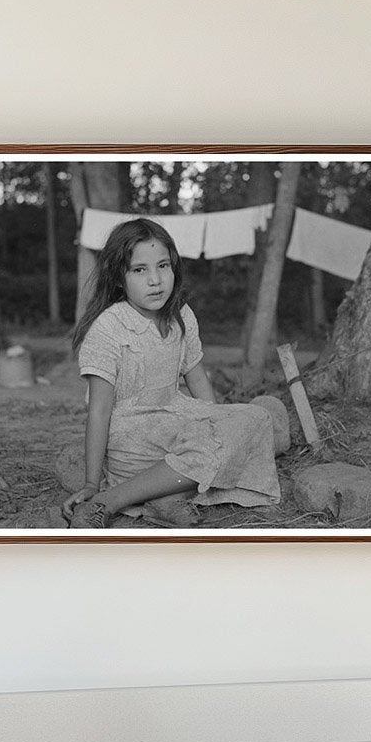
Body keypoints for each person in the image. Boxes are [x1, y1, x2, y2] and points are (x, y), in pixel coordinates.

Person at [62, 217, 280, 529]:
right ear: (119, 278)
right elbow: (98, 411)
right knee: (227, 441)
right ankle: (109, 500)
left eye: (163, 266)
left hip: (176, 425)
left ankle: (162, 497)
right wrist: (91, 483)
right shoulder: (108, 328)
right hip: (134, 438)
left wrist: (221, 426)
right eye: (140, 270)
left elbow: (197, 378)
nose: (156, 280)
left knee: (257, 417)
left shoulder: (181, 316)